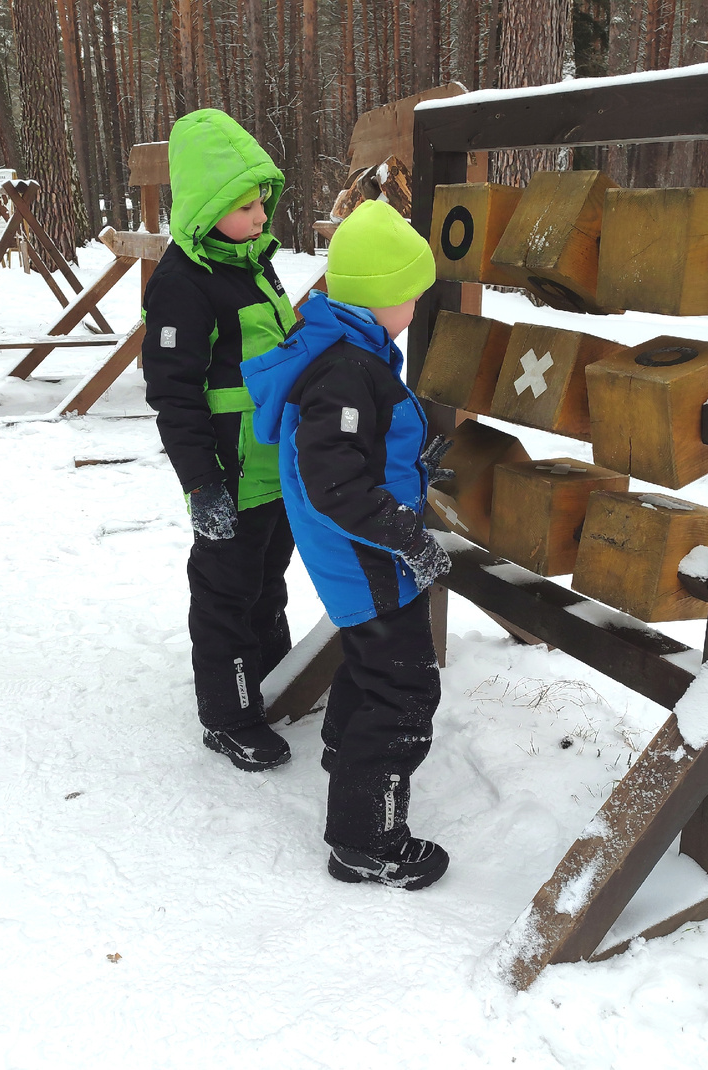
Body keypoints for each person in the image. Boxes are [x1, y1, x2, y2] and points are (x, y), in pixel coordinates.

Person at [243, 199, 452, 890]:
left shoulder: (349, 350)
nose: (417, 306)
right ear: (387, 296)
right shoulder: (349, 374)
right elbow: (335, 480)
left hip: (357, 556)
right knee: (404, 690)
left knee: (371, 665)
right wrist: (406, 537)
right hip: (368, 559)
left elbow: (356, 452)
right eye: (413, 294)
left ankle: (346, 757)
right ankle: (368, 841)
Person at [141, 109, 297, 773]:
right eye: (244, 207)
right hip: (229, 474)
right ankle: (228, 714)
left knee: (268, 583)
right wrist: (201, 484)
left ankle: (273, 677)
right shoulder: (183, 284)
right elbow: (173, 395)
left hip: (277, 467)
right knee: (226, 596)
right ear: (207, 209)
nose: (261, 218)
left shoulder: (255, 265)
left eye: (262, 203)